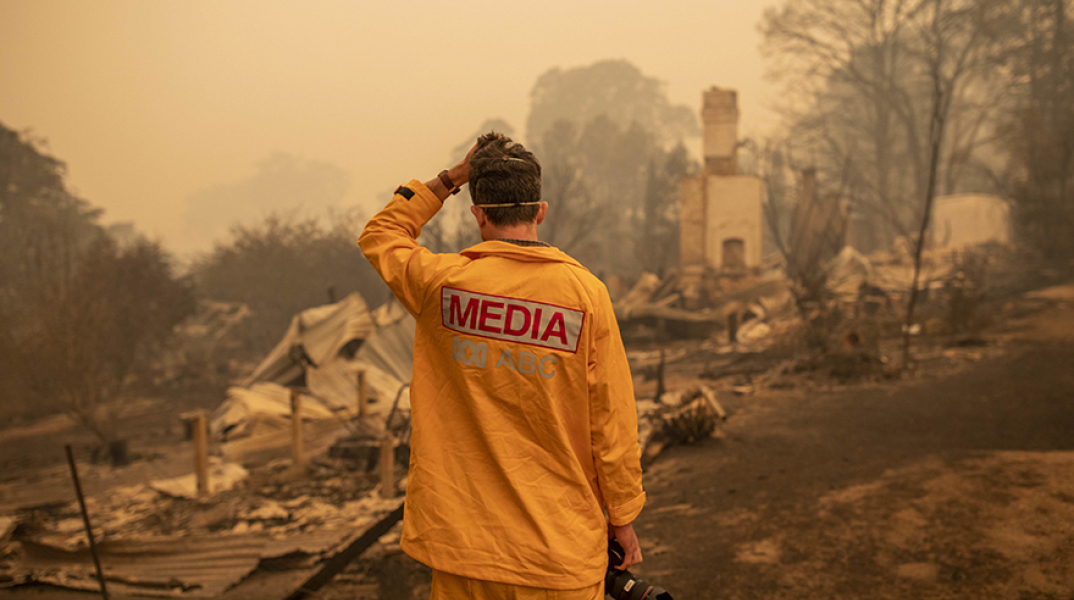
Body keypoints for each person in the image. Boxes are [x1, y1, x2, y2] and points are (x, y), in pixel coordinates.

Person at [358, 133, 645, 600]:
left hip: (464, 553)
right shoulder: (585, 295)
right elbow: (611, 420)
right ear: (540, 211)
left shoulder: (441, 285)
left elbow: (381, 234)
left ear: (478, 214)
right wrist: (623, 517)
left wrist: (450, 178)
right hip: (559, 554)